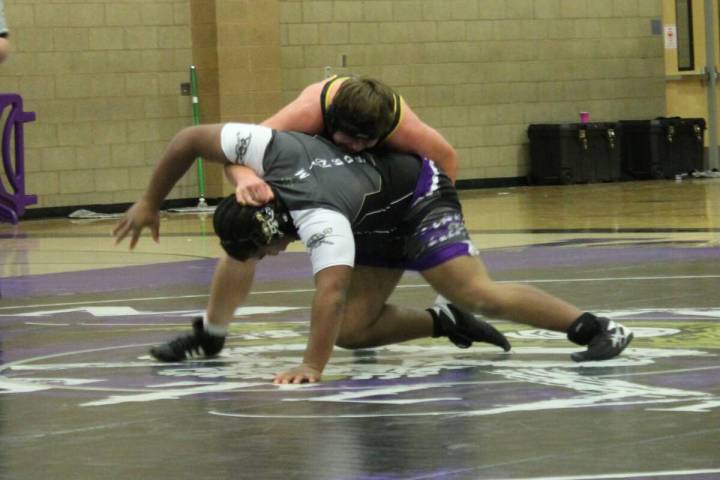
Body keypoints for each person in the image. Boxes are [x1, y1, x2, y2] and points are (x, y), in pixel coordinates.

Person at [114, 123, 633, 384]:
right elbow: (187, 139)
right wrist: (149, 200)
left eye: (265, 252)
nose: (271, 258)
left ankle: (597, 327)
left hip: (415, 199)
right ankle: (444, 323)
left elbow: (330, 293)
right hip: (370, 207)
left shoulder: (323, 223)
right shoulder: (270, 148)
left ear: (274, 231)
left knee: (478, 292)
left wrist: (310, 367)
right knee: (354, 333)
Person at [228, 75, 458, 206]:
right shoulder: (308, 112)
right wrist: (245, 178)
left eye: (365, 142)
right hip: (313, 162)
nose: (356, 148)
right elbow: (237, 149)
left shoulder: (404, 128)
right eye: (349, 140)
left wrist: (438, 209)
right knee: (244, 226)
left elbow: (447, 158)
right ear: (332, 122)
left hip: (377, 175)